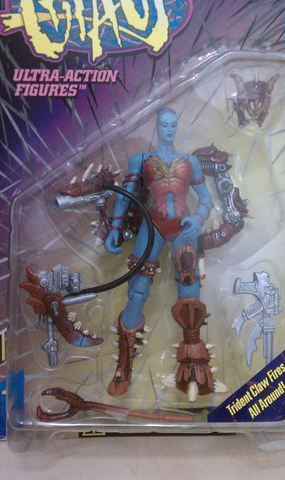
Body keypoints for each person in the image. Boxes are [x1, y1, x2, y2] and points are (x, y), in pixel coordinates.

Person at [104, 108, 226, 400]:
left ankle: (196, 367)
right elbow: (125, 195)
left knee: (190, 296)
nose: (169, 129)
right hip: (153, 225)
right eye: (164, 125)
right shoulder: (141, 159)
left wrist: (198, 218)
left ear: (176, 127)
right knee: (137, 291)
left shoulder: (190, 161)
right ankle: (124, 363)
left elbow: (206, 198)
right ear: (158, 127)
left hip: (184, 227)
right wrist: (115, 228)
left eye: (173, 125)